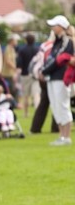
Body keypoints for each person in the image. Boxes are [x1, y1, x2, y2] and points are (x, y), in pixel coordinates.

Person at [41, 15, 74, 146]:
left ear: (61, 27)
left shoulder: (67, 41)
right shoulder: (57, 41)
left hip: (61, 77)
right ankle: (61, 135)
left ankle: (66, 136)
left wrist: (45, 70)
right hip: (52, 77)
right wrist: (45, 70)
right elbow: (52, 57)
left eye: (55, 25)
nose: (53, 28)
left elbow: (59, 59)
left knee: (63, 106)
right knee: (55, 107)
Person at [16, 33, 40, 117]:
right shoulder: (37, 49)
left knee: (25, 95)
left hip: (25, 74)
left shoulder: (22, 50)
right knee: (36, 94)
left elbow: (19, 63)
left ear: (26, 40)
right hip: (35, 75)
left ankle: (25, 113)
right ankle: (38, 113)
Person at [1, 34, 20, 100]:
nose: (16, 42)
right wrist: (15, 68)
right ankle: (13, 102)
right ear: (12, 41)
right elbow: (7, 60)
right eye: (15, 41)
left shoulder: (12, 49)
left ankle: (13, 101)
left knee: (13, 88)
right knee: (12, 88)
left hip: (11, 72)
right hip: (7, 73)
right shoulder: (8, 48)